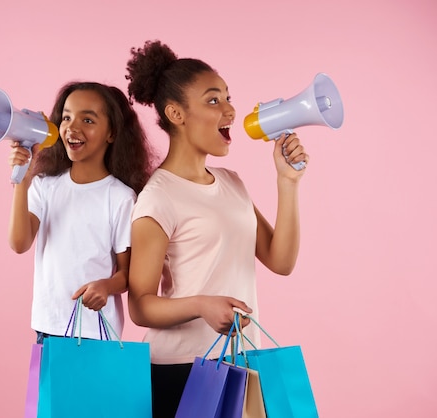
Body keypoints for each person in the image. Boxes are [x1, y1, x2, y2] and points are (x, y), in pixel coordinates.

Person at [125, 40, 309, 417]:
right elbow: (140, 305)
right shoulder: (158, 198)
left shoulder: (231, 182)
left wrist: (287, 182)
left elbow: (281, 260)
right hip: (182, 369)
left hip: (242, 360)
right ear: (176, 113)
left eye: (228, 98)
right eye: (213, 101)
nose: (230, 110)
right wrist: (201, 305)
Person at [7, 81, 154, 344]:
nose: (72, 128)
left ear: (112, 133)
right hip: (48, 325)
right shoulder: (44, 186)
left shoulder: (120, 197)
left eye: (88, 120)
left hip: (96, 330)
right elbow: (19, 244)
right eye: (66, 117)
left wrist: (105, 287)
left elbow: (126, 273)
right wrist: (23, 181)